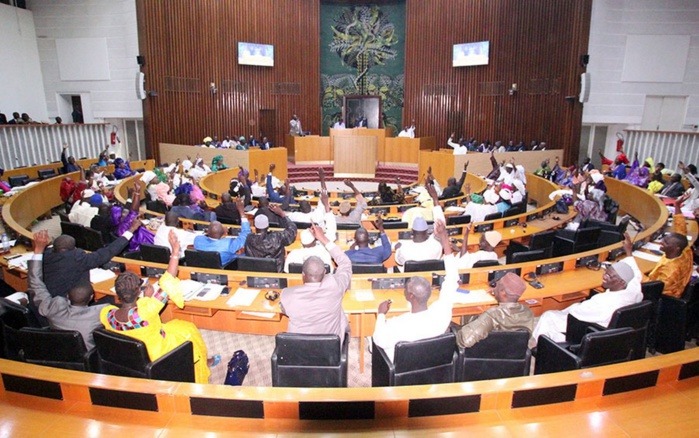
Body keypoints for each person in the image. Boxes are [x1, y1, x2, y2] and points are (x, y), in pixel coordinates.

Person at [100, 230, 219, 384]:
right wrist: (175, 252)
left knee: (179, 327)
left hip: (133, 354)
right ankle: (203, 364)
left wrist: (147, 298)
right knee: (188, 330)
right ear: (138, 291)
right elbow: (168, 281)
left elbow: (134, 313)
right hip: (158, 352)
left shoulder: (106, 313)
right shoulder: (147, 310)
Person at [372, 219, 458, 362]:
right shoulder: (443, 311)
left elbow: (378, 340)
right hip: (433, 364)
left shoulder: (396, 324)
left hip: (402, 368)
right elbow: (453, 277)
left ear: (410, 296)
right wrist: (444, 239)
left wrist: (381, 315)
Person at [531, 245, 642, 346]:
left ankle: (538, 347)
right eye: (606, 272)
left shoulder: (603, 302)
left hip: (588, 332)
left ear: (621, 282)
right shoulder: (634, 290)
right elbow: (636, 274)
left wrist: (575, 305)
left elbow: (575, 313)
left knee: (548, 316)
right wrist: (629, 252)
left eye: (610, 276)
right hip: (610, 332)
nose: (604, 276)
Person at [29, 230, 105, 350]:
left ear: (67, 297)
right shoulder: (99, 313)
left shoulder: (51, 308)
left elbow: (35, 283)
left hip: (59, 351)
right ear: (91, 297)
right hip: (90, 357)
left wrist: (38, 250)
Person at [280, 224, 352, 341]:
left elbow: (283, 308)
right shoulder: (336, 286)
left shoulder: (287, 294)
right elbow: (345, 263)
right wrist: (322, 238)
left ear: (303, 274)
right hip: (331, 351)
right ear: (325, 272)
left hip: (299, 350)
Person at [42, 219, 140, 298]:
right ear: (73, 249)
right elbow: (108, 251)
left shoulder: (46, 254)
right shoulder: (78, 259)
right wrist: (131, 229)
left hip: (47, 295)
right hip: (66, 301)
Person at [455, 272, 533, 348]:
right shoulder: (528, 313)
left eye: (497, 285)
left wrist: (454, 332)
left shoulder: (493, 315)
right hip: (511, 355)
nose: (494, 287)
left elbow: (465, 340)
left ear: (502, 292)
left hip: (483, 354)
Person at [646, 197, 693, 297]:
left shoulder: (670, 271)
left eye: (666, 242)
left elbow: (652, 290)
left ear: (676, 248)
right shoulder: (685, 251)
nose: (661, 242)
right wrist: (677, 206)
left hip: (664, 300)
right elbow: (681, 230)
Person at [244, 204, 297, 272]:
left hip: (255, 273)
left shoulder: (249, 239)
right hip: (276, 274)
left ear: (254, 225)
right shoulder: (277, 237)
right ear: (268, 226)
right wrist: (282, 214)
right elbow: (292, 231)